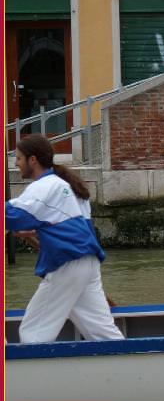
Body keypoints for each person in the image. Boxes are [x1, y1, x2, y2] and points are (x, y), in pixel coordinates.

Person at [5, 134, 124, 344]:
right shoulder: (65, 187)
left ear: (33, 160)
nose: (16, 163)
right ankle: (130, 361)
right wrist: (38, 230)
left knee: (33, 332)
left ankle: (34, 365)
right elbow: (69, 226)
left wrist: (29, 226)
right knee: (103, 333)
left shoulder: (44, 186)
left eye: (19, 158)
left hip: (68, 264)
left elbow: (14, 216)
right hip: (88, 262)